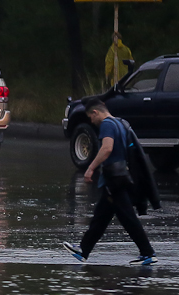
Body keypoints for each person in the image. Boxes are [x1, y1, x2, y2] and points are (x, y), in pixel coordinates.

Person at [64, 98, 157, 265]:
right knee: (101, 217)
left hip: (115, 179)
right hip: (117, 178)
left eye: (91, 118)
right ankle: (83, 250)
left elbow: (107, 148)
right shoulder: (120, 123)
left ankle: (148, 253)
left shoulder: (107, 124)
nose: (92, 121)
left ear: (95, 112)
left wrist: (91, 167)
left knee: (128, 218)